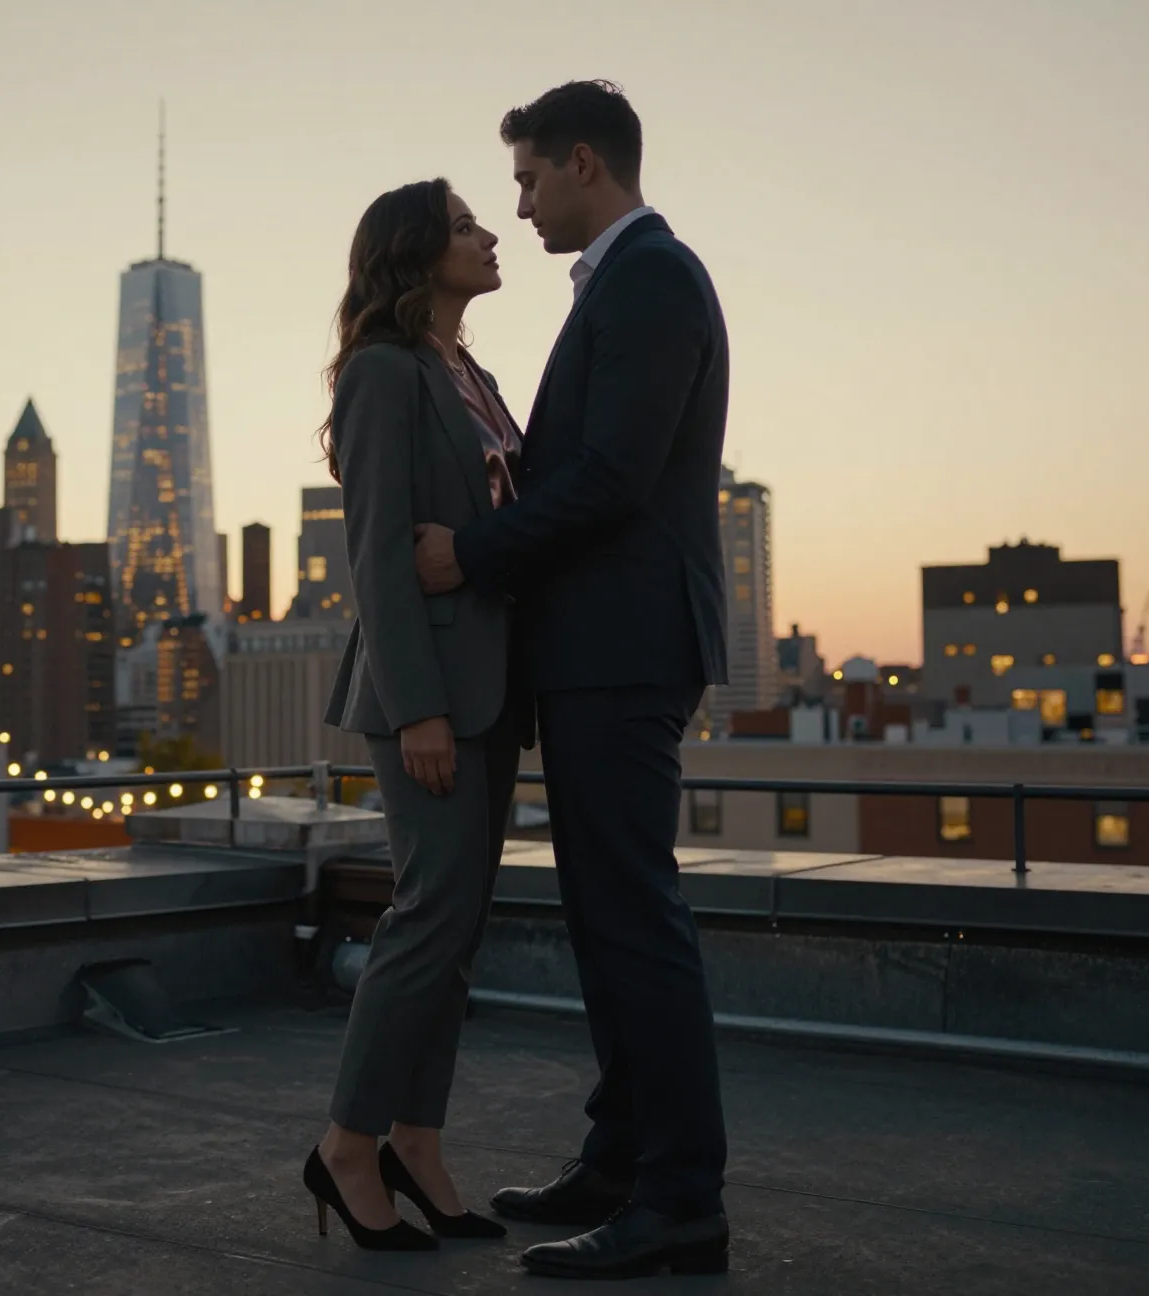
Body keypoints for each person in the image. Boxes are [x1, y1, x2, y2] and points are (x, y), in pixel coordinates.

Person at [413, 80, 733, 1279]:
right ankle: (621, 1157)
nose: (521, 205)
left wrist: (467, 554)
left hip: (627, 647)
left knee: (636, 922)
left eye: (529, 181)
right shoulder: (625, 283)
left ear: (584, 164)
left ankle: (681, 1197)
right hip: (606, 646)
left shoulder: (650, 277)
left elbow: (611, 476)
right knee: (608, 920)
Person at [302, 178, 526, 1252]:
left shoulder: (471, 373)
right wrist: (421, 711)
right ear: (415, 253)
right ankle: (348, 1145)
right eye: (466, 227)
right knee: (427, 915)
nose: (491, 236)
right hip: (425, 697)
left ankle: (418, 1140)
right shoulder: (384, 375)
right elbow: (379, 555)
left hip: (491, 685)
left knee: (457, 931)